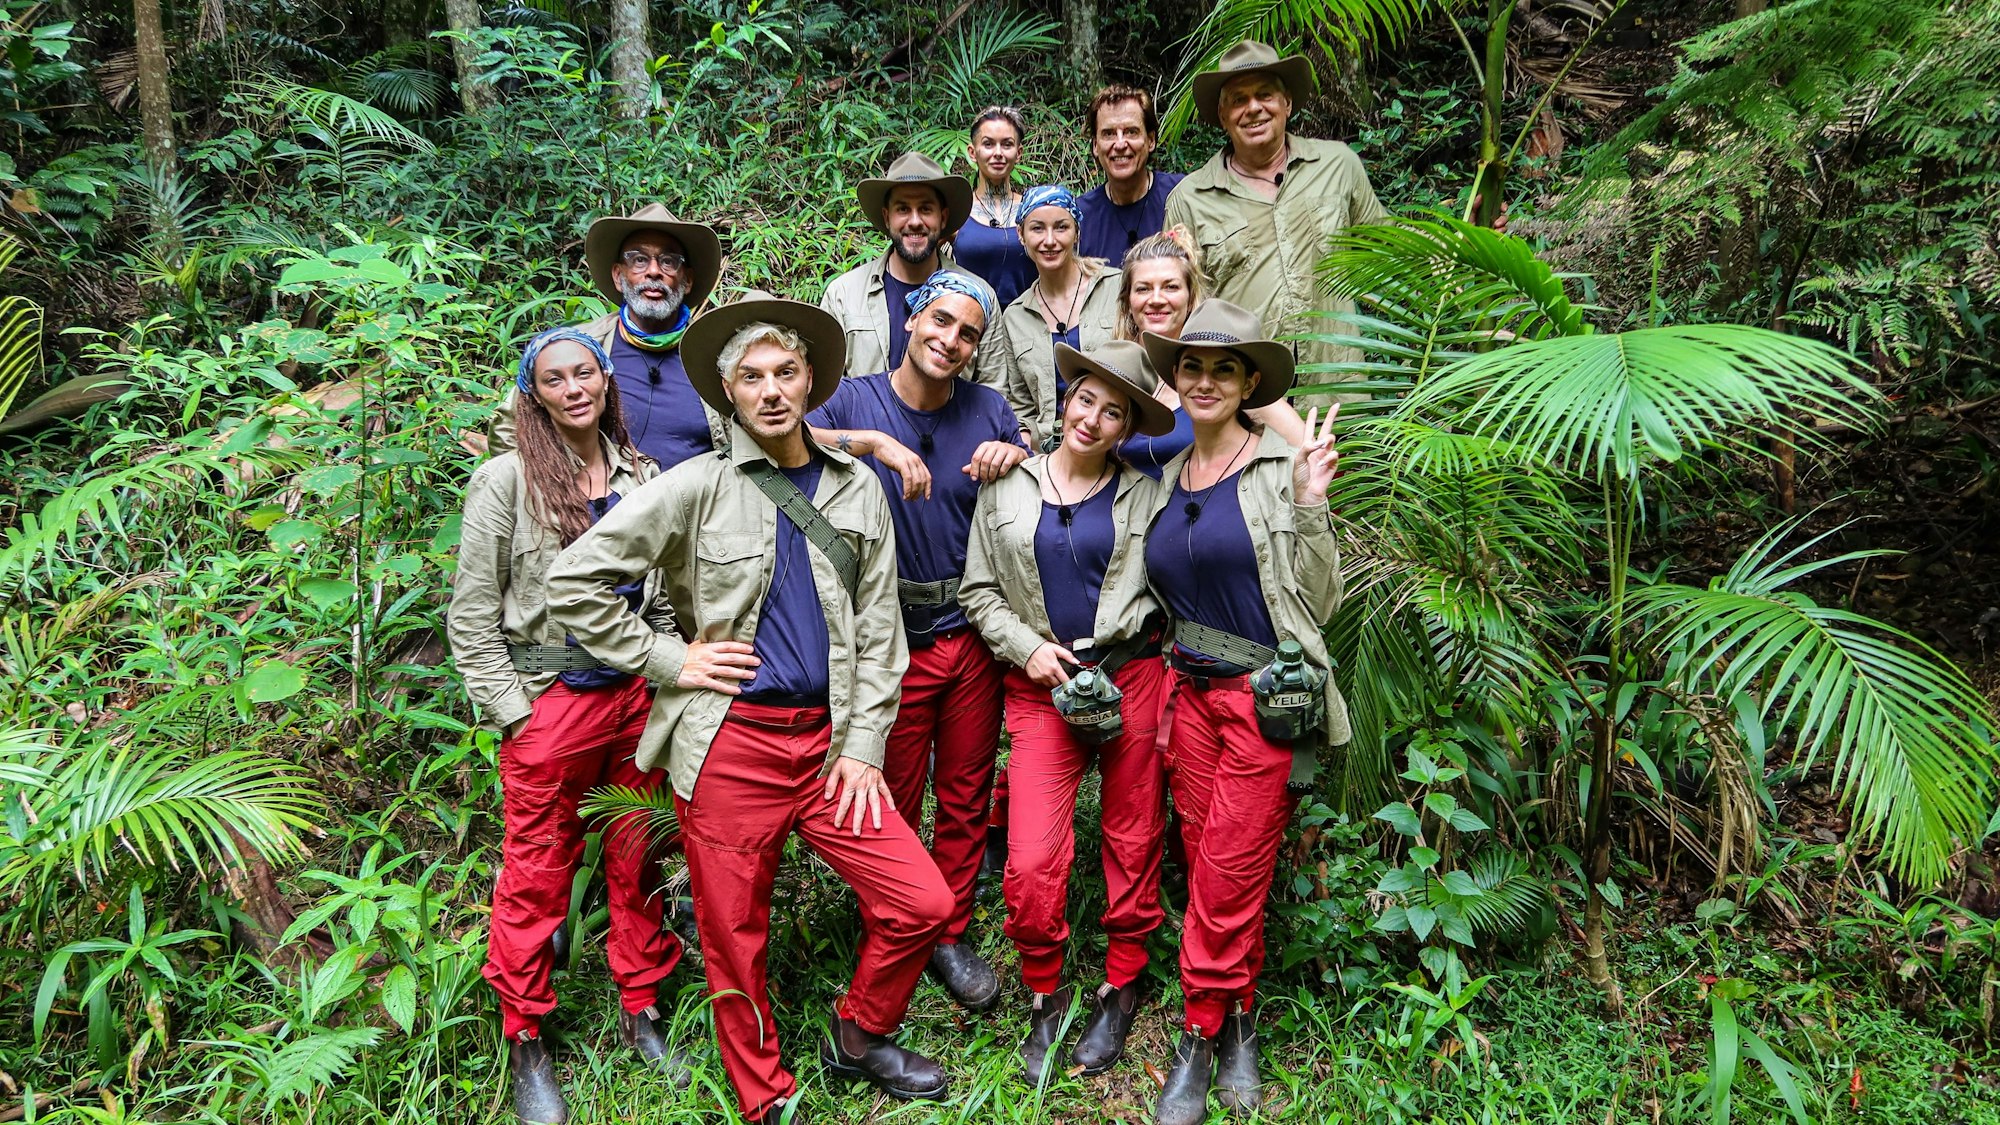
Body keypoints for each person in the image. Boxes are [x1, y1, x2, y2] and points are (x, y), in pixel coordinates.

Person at [543, 292, 956, 1125]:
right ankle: (763, 1091)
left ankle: (862, 1033)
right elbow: (573, 580)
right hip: (734, 742)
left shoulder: (857, 489)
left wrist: (867, 744)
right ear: (728, 392)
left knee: (924, 902)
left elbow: (881, 634)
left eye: (786, 373)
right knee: (737, 934)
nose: (771, 390)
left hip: (835, 745)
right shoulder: (693, 487)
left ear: (810, 382)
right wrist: (669, 657)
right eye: (752, 377)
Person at [448, 327, 691, 1125]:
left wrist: (667, 669)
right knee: (536, 869)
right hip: (553, 697)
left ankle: (643, 1001)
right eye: (556, 378)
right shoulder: (504, 481)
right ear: (536, 392)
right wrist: (518, 716)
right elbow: (472, 620)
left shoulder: (642, 474)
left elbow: (657, 593)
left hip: (633, 695)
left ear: (606, 380)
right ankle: (525, 1032)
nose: (575, 387)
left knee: (640, 850)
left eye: (586, 371)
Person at [1135, 301, 1349, 1125]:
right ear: (1176, 378)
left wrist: (1310, 502)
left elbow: (1319, 599)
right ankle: (1243, 1019)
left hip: (1262, 701)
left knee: (1226, 873)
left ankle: (1197, 1033)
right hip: (1185, 693)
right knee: (1212, 863)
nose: (1205, 381)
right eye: (1191, 367)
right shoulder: (1164, 475)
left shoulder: (1276, 467)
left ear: (1249, 383)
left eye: (1223, 369)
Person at [809, 270, 1029, 1013]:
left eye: (968, 332)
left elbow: (1039, 479)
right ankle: (892, 917)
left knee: (966, 790)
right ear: (911, 320)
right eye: (940, 322)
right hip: (888, 633)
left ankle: (947, 927)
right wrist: (869, 441)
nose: (951, 340)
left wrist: (1017, 457)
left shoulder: (989, 408)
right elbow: (784, 435)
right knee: (890, 792)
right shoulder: (855, 399)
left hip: (967, 631)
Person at [960, 340, 1176, 1083]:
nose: (1092, 417)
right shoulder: (1006, 484)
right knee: (1030, 859)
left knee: (1133, 832)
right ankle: (1045, 991)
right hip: (1041, 685)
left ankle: (1122, 979)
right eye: (1084, 399)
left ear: (1126, 428)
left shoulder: (1146, 494)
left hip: (1132, 677)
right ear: (1063, 402)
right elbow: (979, 591)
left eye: (1113, 410)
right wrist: (1027, 648)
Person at [1164, 41, 1389, 384]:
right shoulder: (1189, 199)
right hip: (1245, 401)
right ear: (1223, 116)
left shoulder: (1338, 165)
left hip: (1337, 391)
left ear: (1287, 103)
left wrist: (1465, 237)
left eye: (1265, 95)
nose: (1253, 108)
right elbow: (1177, 307)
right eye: (1239, 99)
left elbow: (1388, 245)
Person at [490, 204, 728, 471]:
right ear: (618, 275)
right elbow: (509, 429)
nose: (653, 271)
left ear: (687, 280)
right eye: (639, 260)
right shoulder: (577, 348)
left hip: (694, 509)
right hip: (596, 509)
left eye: (668, 261)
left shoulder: (715, 357)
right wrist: (548, 492)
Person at [1114, 230, 1304, 476]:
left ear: (1190, 296)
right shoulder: (1113, 369)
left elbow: (1302, 446)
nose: (1157, 299)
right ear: (1128, 299)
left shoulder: (1220, 372)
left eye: (1171, 287)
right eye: (1143, 289)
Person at [822, 151, 1001, 388]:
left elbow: (994, 389)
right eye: (903, 209)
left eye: (926, 209)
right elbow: (825, 393)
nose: (915, 221)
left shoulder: (979, 297)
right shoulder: (843, 295)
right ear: (887, 218)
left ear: (943, 217)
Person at [996, 185, 1123, 451]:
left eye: (1061, 227)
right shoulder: (1015, 317)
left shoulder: (1116, 287)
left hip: (1119, 444)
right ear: (1021, 235)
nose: (1050, 240)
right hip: (1049, 455)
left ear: (1077, 232)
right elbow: (1021, 404)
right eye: (1037, 228)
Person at [1077, 86, 1186, 264]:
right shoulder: (1080, 217)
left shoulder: (1182, 195)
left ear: (1151, 140)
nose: (1120, 144)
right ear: (1096, 146)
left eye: (1131, 132)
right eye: (1109, 134)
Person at [952, 106, 1037, 312]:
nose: (998, 153)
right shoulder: (957, 211)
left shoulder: (1034, 210)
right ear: (973, 152)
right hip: (971, 327)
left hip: (1028, 324)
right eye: (988, 144)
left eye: (1007, 144)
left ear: (1018, 153)